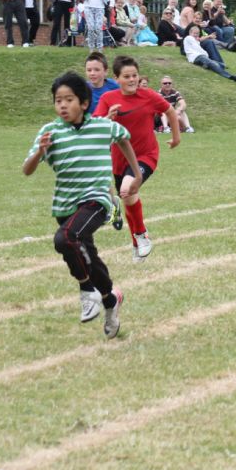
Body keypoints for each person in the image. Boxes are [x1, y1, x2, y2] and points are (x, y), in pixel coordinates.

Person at [22, 71, 143, 339]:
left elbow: (123, 137)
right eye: (58, 101)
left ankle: (87, 291)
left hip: (97, 200)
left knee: (66, 238)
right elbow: (27, 169)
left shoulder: (102, 126)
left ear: (84, 103)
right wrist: (40, 152)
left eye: (68, 99)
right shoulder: (49, 132)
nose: (62, 105)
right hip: (66, 205)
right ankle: (111, 300)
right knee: (86, 255)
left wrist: (136, 174)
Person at [94, 55, 181, 262]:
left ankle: (142, 235)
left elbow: (169, 110)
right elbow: (96, 126)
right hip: (120, 160)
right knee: (128, 199)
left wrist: (176, 137)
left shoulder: (149, 96)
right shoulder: (108, 99)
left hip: (145, 156)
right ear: (117, 78)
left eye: (135, 75)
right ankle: (137, 244)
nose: (132, 79)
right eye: (127, 76)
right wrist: (109, 118)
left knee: (126, 189)